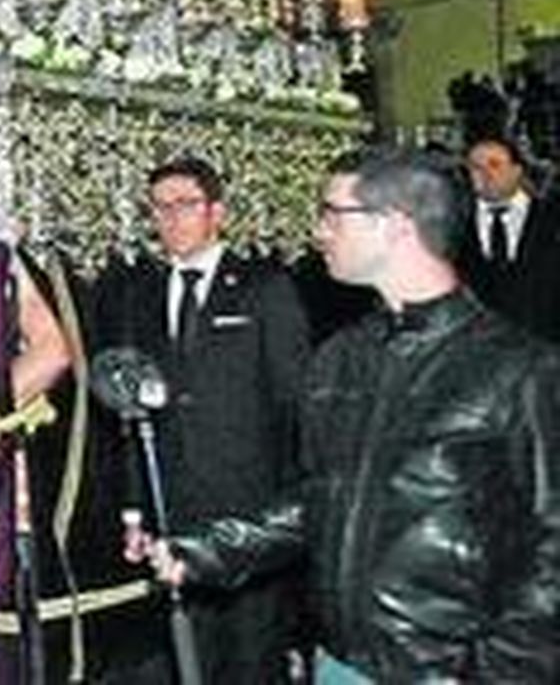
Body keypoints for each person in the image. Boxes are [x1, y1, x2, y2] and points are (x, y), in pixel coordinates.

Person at [153, 146, 560, 681]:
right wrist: (213, 552)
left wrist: (493, 671)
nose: (318, 231)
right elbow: (321, 498)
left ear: (394, 225)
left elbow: (551, 550)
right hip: (339, 664)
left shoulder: (519, 369)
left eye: (331, 213)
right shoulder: (340, 358)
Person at [98, 156, 309, 680]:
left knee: (252, 658)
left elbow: (295, 403)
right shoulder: (140, 295)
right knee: (189, 656)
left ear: (217, 212)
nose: (170, 218)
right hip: (175, 510)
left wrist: (293, 506)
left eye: (185, 205)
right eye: (159, 207)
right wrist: (134, 508)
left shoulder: (264, 287)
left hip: (251, 512)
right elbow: (132, 409)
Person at [458, 132, 560, 341]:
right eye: (475, 167)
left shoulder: (553, 218)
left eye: (494, 164)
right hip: (475, 349)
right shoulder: (455, 223)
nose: (485, 174)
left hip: (545, 345)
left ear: (516, 170)